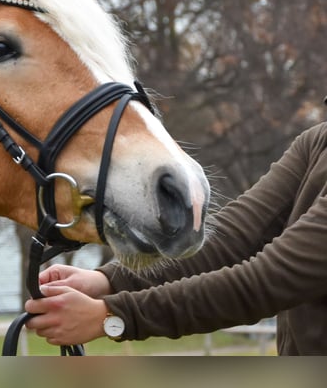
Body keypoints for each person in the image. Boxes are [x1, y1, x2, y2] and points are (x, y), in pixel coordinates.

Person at [24, 121, 327, 355]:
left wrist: (111, 315)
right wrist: (107, 281)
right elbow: (232, 238)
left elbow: (270, 280)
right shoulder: (317, 142)